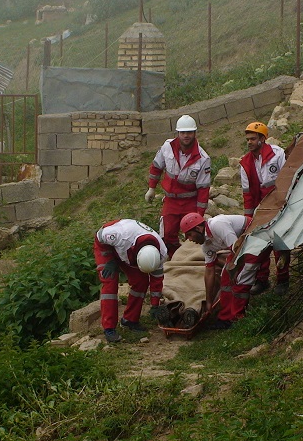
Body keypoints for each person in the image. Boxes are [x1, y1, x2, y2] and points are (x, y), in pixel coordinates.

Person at [180, 212, 263, 329]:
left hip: (255, 234)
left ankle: (238, 318)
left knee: (241, 278)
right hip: (241, 245)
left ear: (198, 228)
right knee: (225, 278)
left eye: (189, 235)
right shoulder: (206, 245)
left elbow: (237, 249)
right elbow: (209, 272)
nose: (189, 239)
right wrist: (208, 301)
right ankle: (225, 318)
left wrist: (234, 270)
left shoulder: (218, 225)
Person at [145, 114, 211, 260]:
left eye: (189, 132)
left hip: (190, 202)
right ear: (178, 133)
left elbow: (203, 189)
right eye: (183, 133)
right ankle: (174, 260)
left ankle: (192, 261)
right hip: (171, 201)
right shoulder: (167, 147)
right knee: (168, 235)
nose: (186, 136)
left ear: (194, 133)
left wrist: (199, 214)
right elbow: (156, 167)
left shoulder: (203, 158)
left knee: (192, 237)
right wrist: (151, 188)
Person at [94, 219, 168, 343]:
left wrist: (155, 305)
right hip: (108, 247)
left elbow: (157, 281)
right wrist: (110, 259)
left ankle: (130, 320)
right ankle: (109, 328)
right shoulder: (118, 235)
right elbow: (99, 236)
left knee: (141, 281)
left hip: (127, 253)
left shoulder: (161, 254)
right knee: (110, 284)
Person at [240, 121, 291, 296]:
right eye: (247, 139)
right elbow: (247, 194)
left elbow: (286, 180)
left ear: (263, 138)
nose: (249, 142)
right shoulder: (245, 163)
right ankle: (262, 279)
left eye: (253, 138)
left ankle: (283, 279)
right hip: (260, 209)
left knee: (279, 243)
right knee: (259, 244)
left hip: (277, 205)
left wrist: (284, 204)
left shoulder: (277, 155)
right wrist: (249, 219)